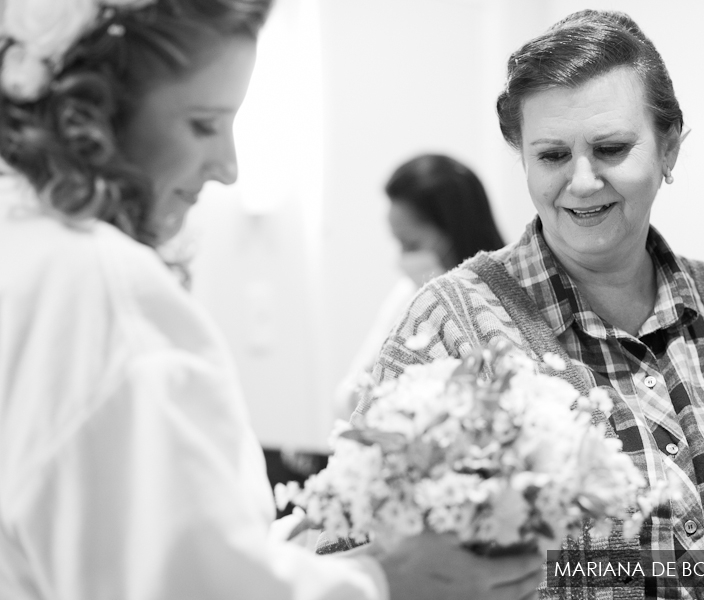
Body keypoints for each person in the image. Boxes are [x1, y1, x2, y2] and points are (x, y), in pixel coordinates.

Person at [0, 1, 541, 599]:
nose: (229, 169)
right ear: (95, 112)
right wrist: (385, 582)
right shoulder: (103, 289)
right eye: (204, 123)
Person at [353, 10, 704, 599]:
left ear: (669, 149)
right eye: (551, 155)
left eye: (610, 148)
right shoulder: (450, 326)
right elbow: (355, 549)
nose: (581, 181)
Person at [334, 154, 504, 420]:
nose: (402, 258)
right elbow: (351, 394)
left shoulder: (504, 304)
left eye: (411, 245)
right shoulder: (407, 295)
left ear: (454, 231)